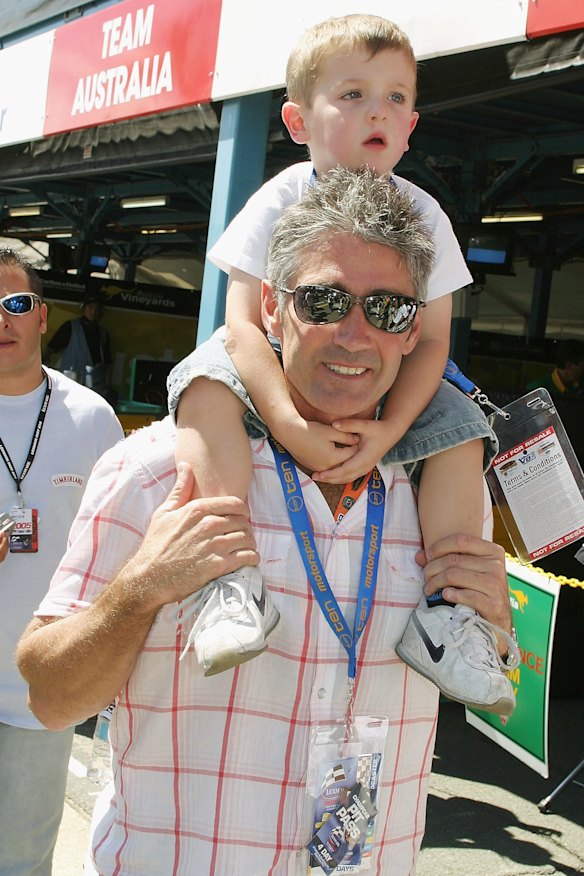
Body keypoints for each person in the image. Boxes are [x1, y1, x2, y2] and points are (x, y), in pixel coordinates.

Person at [17, 168, 518, 875]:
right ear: (272, 311)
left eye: (389, 310)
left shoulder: (441, 496)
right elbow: (49, 695)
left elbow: (498, 682)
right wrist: (142, 589)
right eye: (325, 300)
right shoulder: (162, 474)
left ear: (414, 334)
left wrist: (496, 626)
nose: (355, 334)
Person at [166, 14, 512, 711]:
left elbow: (433, 341)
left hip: (389, 391)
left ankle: (451, 614)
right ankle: (227, 583)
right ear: (298, 119)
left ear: (411, 124)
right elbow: (241, 324)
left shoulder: (425, 214)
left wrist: (390, 433)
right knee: (203, 382)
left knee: (463, 429)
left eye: (393, 97)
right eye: (352, 94)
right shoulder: (280, 198)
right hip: (269, 374)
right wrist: (286, 421)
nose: (375, 110)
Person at [0, 248, 123, 876]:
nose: (2, 319)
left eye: (15, 304)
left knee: (22, 861)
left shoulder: (91, 419)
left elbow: (125, 544)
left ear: (43, 316)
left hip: (38, 692)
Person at [44, 290, 114, 398]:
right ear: (84, 308)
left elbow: (108, 364)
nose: (93, 312)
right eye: (90, 307)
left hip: (95, 387)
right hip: (71, 384)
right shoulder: (70, 327)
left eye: (97, 309)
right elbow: (50, 349)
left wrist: (108, 386)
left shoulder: (103, 334)